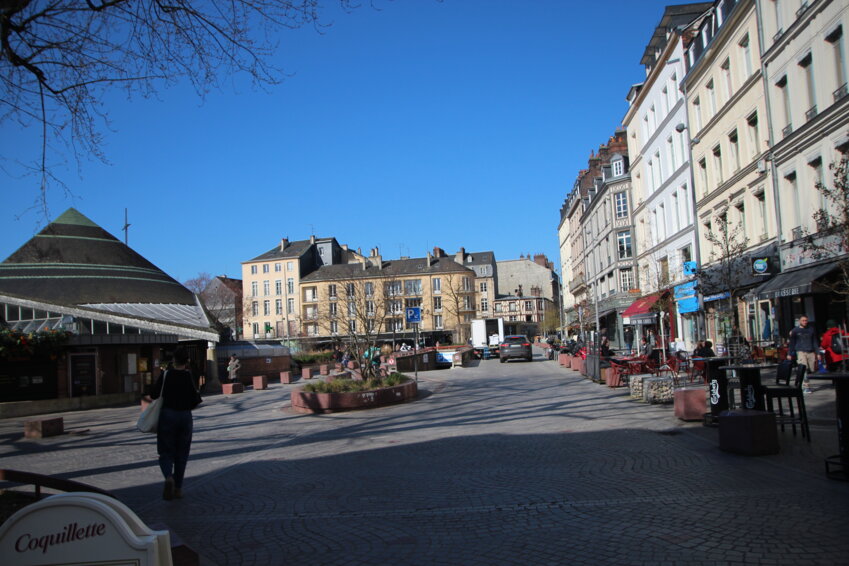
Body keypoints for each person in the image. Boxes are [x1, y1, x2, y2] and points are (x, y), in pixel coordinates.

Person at [150, 347, 199, 501]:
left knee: (165, 451)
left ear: (173, 360)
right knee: (182, 453)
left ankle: (168, 477)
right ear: (187, 361)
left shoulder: (166, 375)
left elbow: (153, 394)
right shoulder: (188, 376)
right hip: (185, 416)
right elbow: (195, 400)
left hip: (168, 415)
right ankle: (178, 488)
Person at [788, 315, 817, 392]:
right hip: (800, 351)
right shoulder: (795, 331)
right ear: (800, 321)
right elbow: (792, 343)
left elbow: (814, 341)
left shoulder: (811, 330)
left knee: (811, 369)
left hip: (810, 351)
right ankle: (806, 386)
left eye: (806, 320)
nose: (804, 322)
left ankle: (802, 382)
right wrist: (789, 353)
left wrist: (818, 352)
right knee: (804, 368)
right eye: (803, 320)